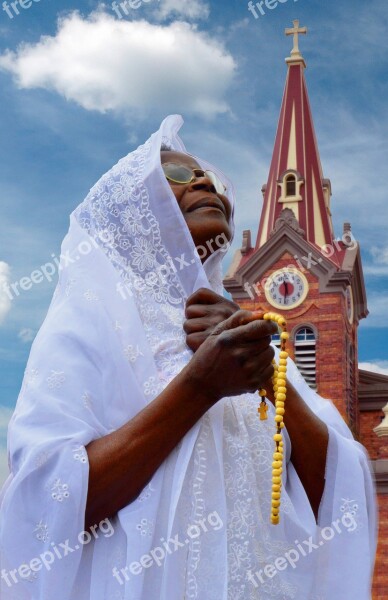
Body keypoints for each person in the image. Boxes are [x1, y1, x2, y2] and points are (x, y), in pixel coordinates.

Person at [0, 115, 377, 600]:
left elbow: (336, 496)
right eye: (175, 176)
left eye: (212, 179)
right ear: (131, 216)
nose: (202, 180)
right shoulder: (91, 323)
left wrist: (266, 373)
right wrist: (199, 388)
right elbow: (45, 506)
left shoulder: (257, 346)